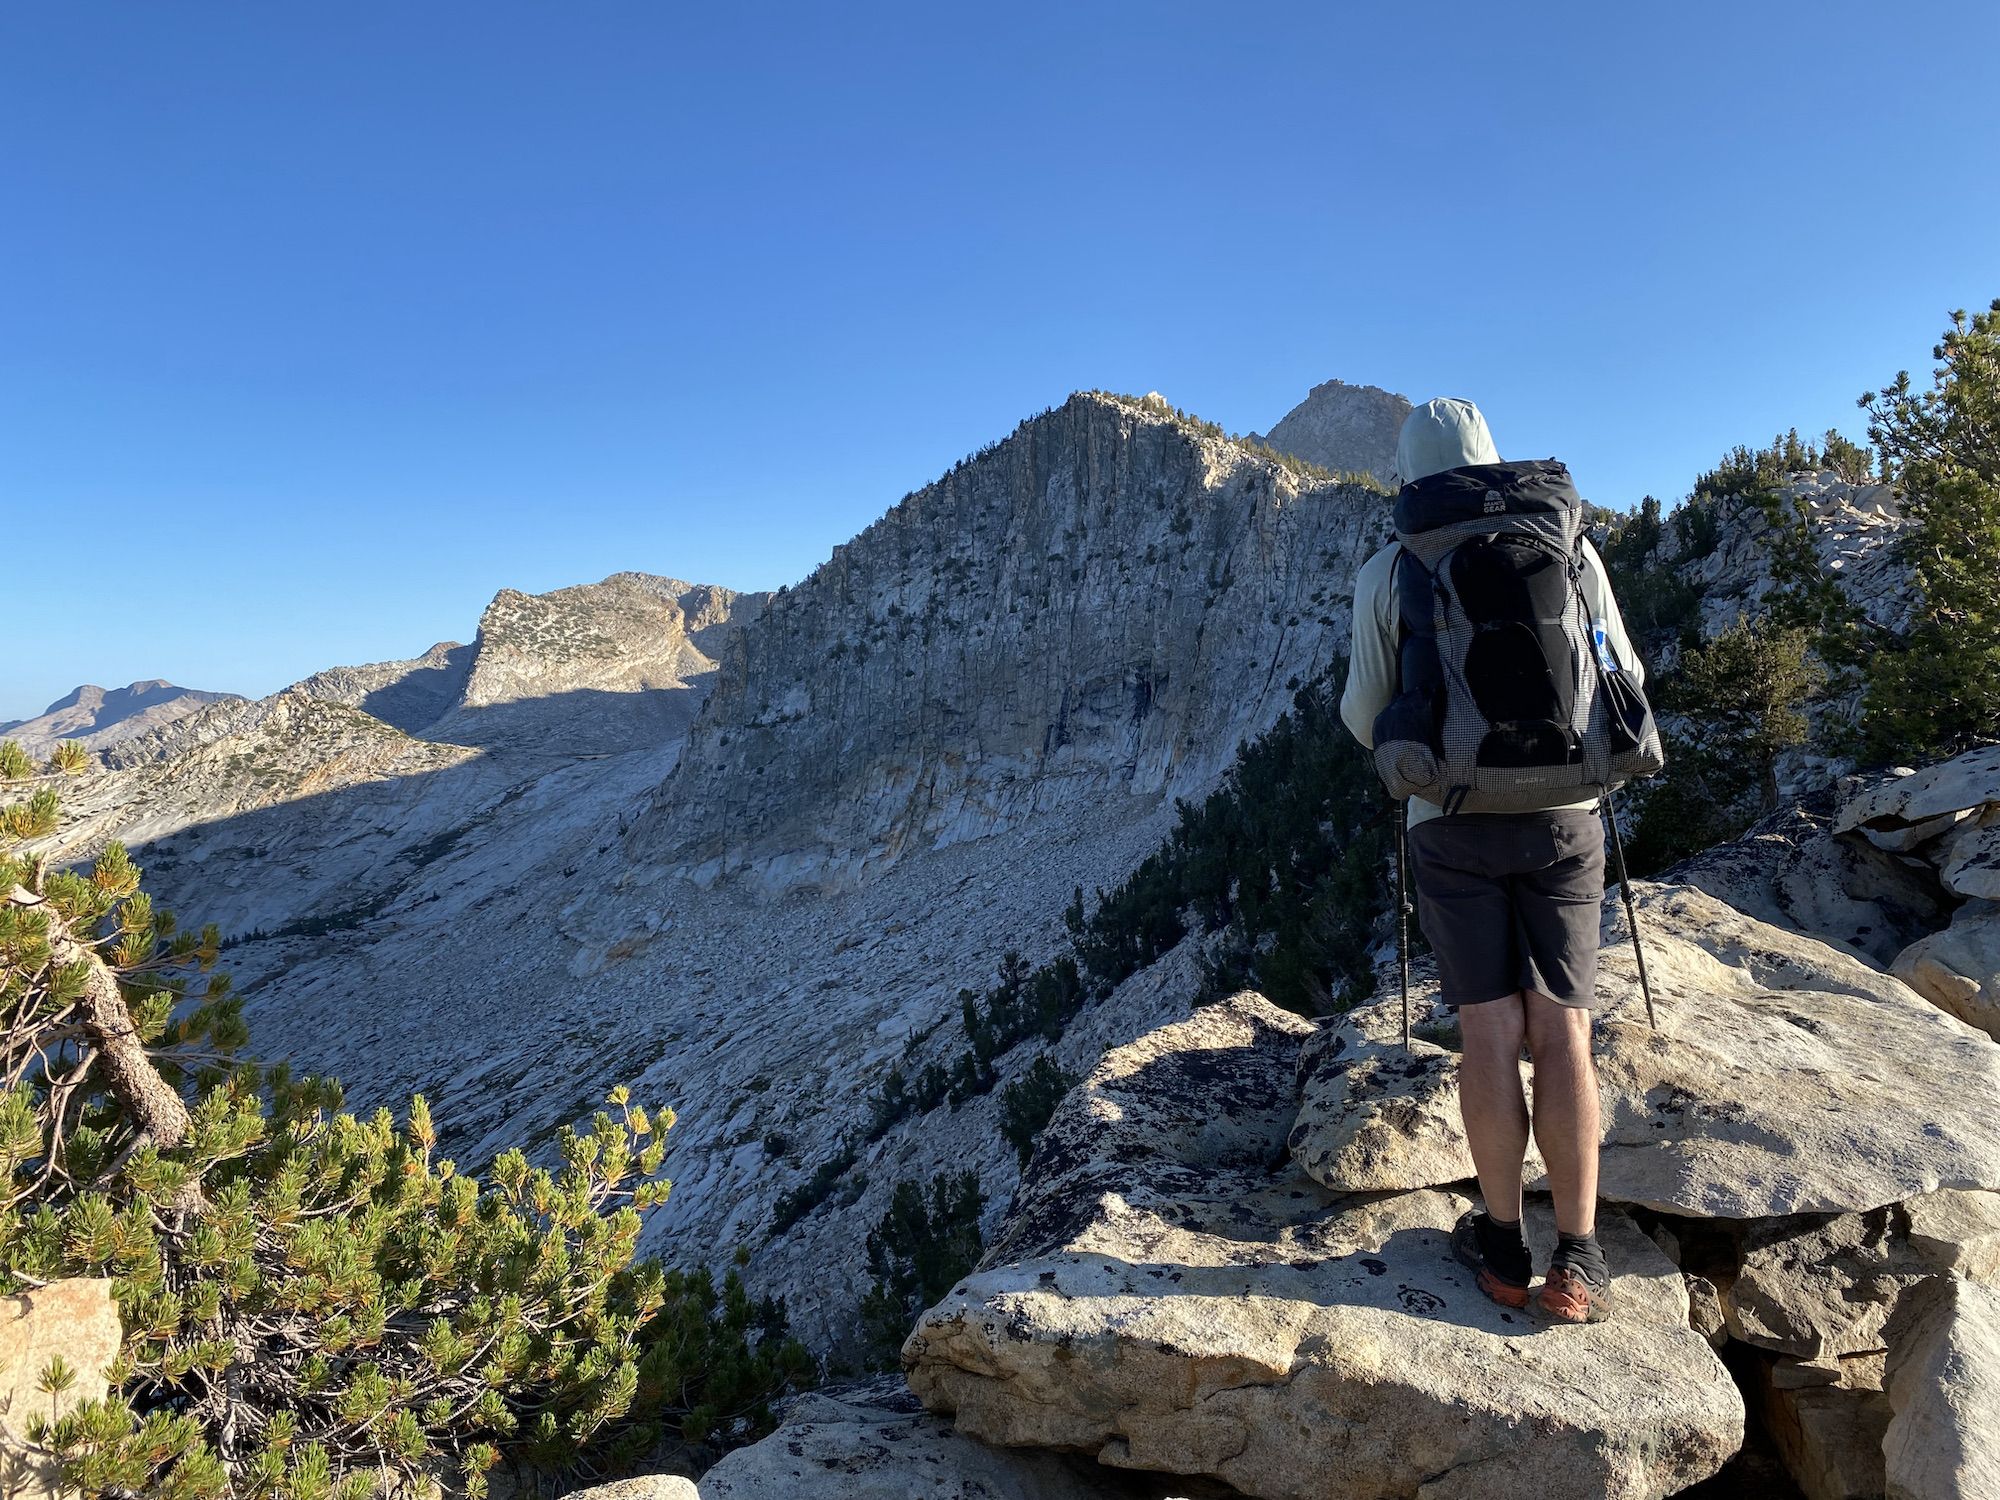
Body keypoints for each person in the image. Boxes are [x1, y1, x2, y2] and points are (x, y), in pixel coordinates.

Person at [1339, 397, 1644, 1325]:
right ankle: (1580, 1259)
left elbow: (1363, 714)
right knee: (1563, 1031)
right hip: (1568, 821)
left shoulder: (1392, 568)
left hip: (1453, 823)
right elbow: (1620, 674)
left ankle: (1506, 1250)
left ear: (1411, 478)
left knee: (1488, 1033)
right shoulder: (1573, 549)